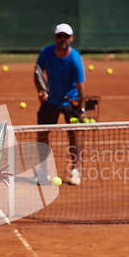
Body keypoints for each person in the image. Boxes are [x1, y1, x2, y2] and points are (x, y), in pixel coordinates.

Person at [34, 23, 86, 186]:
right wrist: (41, 90)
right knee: (42, 134)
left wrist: (82, 109)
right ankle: (43, 171)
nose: (62, 39)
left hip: (70, 100)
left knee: (74, 136)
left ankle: (75, 170)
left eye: (66, 36)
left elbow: (81, 85)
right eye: (59, 36)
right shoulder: (46, 52)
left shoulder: (74, 58)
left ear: (71, 38)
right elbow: (37, 70)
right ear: (55, 37)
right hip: (51, 100)